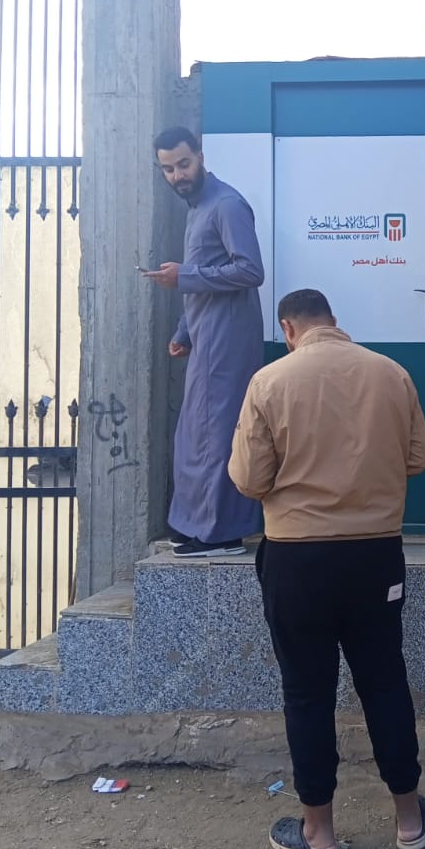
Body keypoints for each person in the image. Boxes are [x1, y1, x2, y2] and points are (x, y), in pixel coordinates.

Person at [228, 288, 425, 849]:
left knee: (307, 693)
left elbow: (249, 479)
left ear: (288, 328)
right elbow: (417, 458)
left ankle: (318, 834)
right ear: (333, 321)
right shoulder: (391, 374)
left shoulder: (269, 382)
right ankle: (409, 819)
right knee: (385, 682)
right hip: (375, 556)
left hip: (297, 560)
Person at [146, 127, 265, 557]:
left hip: (227, 342)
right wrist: (184, 332)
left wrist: (185, 275)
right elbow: (201, 276)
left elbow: (251, 271)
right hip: (206, 338)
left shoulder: (227, 205)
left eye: (183, 164)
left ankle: (222, 535)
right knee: (195, 436)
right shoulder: (197, 209)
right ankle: (196, 524)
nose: (177, 175)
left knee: (216, 435)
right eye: (168, 169)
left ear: (200, 156)